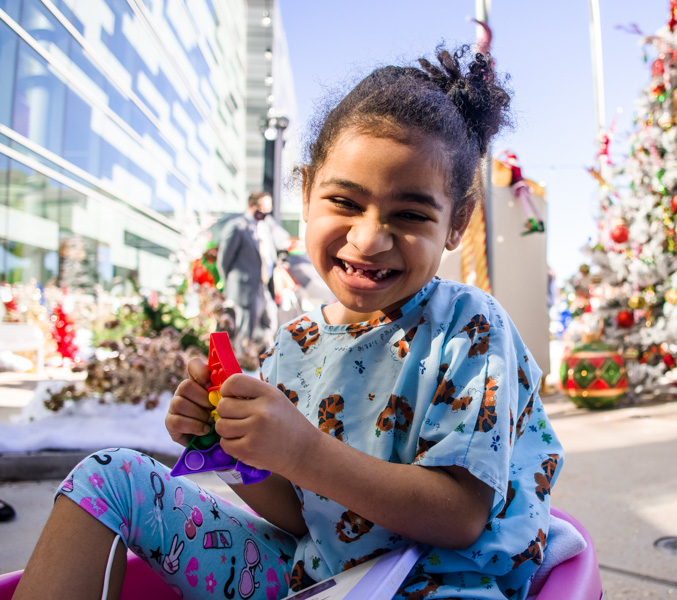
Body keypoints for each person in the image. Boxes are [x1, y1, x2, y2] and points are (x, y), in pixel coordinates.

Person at [13, 45, 563, 600]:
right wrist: (230, 449)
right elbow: (304, 519)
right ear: (305, 194)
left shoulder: (468, 326)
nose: (369, 238)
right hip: (318, 577)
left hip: (436, 585)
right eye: (345, 202)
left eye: (411, 214)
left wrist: (302, 451)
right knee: (110, 475)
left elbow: (460, 517)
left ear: (455, 223)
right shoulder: (294, 344)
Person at [217, 191, 276, 355]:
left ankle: (258, 366)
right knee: (244, 334)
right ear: (251, 205)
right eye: (262, 208)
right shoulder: (237, 226)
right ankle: (239, 374)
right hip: (244, 289)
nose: (265, 213)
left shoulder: (264, 228)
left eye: (268, 209)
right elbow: (223, 260)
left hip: (263, 287)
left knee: (270, 323)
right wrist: (232, 285)